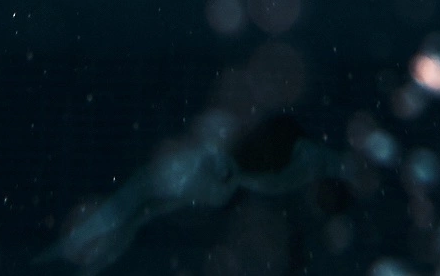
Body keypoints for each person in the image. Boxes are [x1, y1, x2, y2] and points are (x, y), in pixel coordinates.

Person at [38, 114, 350, 274]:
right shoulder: (305, 161)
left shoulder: (294, 174)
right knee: (135, 205)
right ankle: (70, 252)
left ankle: (74, 254)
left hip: (219, 179)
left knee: (138, 207)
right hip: (217, 173)